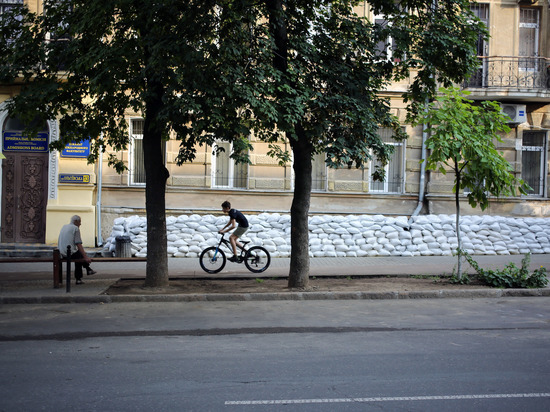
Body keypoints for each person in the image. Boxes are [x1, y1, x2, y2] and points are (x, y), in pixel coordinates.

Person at [58, 215, 96, 284]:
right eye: (79, 222)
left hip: (60, 252)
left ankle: (88, 269)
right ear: (76, 221)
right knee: (80, 256)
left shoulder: (64, 226)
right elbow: (78, 244)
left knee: (79, 254)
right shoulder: (75, 228)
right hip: (69, 253)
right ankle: (79, 278)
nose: (80, 224)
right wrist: (86, 257)